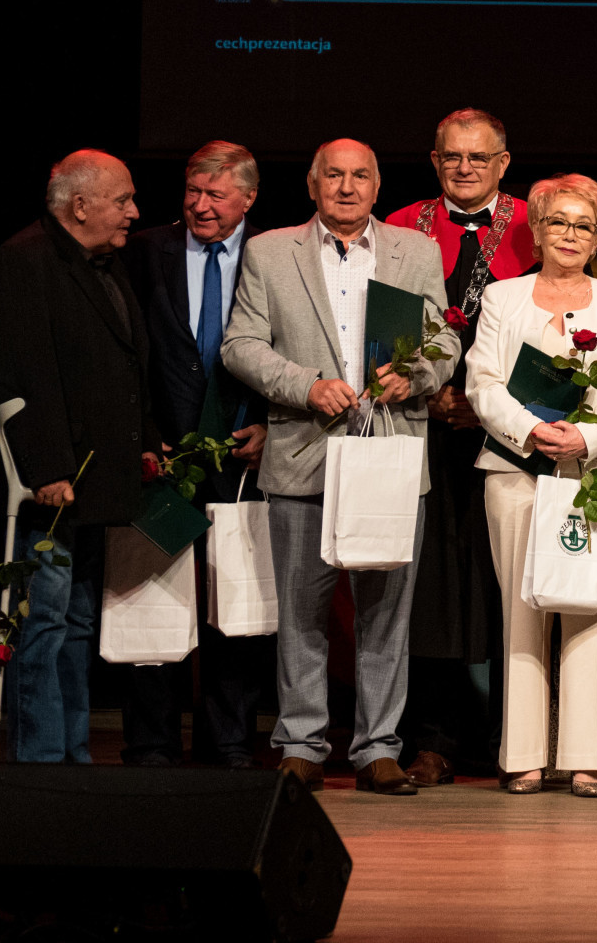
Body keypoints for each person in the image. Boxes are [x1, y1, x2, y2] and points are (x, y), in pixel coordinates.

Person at [223, 138, 455, 796]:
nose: (347, 187)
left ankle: (378, 749)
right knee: (302, 613)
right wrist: (306, 384)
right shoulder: (270, 251)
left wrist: (414, 375)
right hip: (304, 451)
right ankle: (301, 745)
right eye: (334, 175)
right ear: (312, 183)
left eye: (359, 176)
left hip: (390, 454)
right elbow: (239, 343)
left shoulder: (417, 250)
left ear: (378, 186)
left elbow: (444, 340)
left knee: (386, 614)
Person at [0, 149, 154, 764]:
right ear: (79, 206)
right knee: (42, 623)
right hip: (53, 484)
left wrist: (145, 441)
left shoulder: (105, 263)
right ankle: (40, 759)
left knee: (75, 626)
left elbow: (123, 366)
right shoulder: (22, 263)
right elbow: (16, 372)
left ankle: (73, 756)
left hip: (95, 482)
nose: (133, 212)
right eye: (122, 200)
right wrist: (47, 469)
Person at [466, 174, 597, 798]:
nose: (570, 235)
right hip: (516, 469)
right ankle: (522, 756)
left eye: (584, 225)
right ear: (537, 231)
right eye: (558, 222)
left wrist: (583, 439)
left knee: (592, 608)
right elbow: (482, 384)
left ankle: (587, 757)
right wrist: (533, 429)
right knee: (521, 609)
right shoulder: (501, 298)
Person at [384, 108, 538, 786]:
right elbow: (382, 328)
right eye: (453, 158)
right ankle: (434, 739)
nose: (466, 168)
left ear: (504, 163)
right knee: (431, 591)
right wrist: (429, 393)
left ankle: (519, 739)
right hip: (424, 432)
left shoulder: (540, 221)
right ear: (435, 160)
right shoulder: (398, 226)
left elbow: (560, 319)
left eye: (480, 158)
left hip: (515, 432)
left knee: (514, 586)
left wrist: (491, 404)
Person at [117, 141, 273, 769]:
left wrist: (269, 424)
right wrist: (142, 431)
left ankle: (228, 742)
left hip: (242, 453)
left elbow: (290, 345)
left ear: (248, 198)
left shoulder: (274, 254)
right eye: (192, 191)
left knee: (234, 604)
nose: (199, 205)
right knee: (149, 600)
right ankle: (151, 742)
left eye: (215, 194)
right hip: (159, 456)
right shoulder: (143, 251)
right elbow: (124, 351)